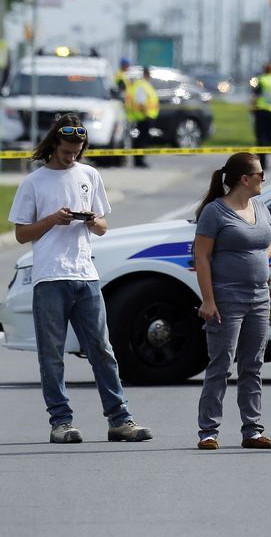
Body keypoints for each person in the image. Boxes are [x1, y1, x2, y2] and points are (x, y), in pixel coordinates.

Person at [7, 113, 153, 444]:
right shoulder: (34, 182)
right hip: (50, 277)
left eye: (77, 150)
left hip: (86, 275)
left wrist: (90, 221)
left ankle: (120, 420)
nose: (71, 156)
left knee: (102, 349)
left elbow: (103, 226)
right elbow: (20, 234)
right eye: (66, 150)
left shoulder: (89, 175)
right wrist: (51, 220)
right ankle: (61, 423)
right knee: (52, 355)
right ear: (54, 143)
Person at [193, 152, 271, 450]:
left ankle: (252, 430)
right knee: (221, 364)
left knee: (253, 366)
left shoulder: (260, 207)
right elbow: (201, 256)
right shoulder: (215, 212)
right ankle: (208, 432)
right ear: (244, 179)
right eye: (260, 175)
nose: (264, 179)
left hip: (259, 297)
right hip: (227, 299)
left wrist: (260, 258)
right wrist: (208, 300)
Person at [126, 66, 158, 168]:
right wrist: (145, 114)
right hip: (144, 117)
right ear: (146, 74)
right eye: (149, 74)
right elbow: (141, 102)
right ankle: (139, 160)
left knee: (141, 138)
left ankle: (139, 160)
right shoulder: (142, 86)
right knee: (142, 139)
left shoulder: (143, 85)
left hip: (145, 116)